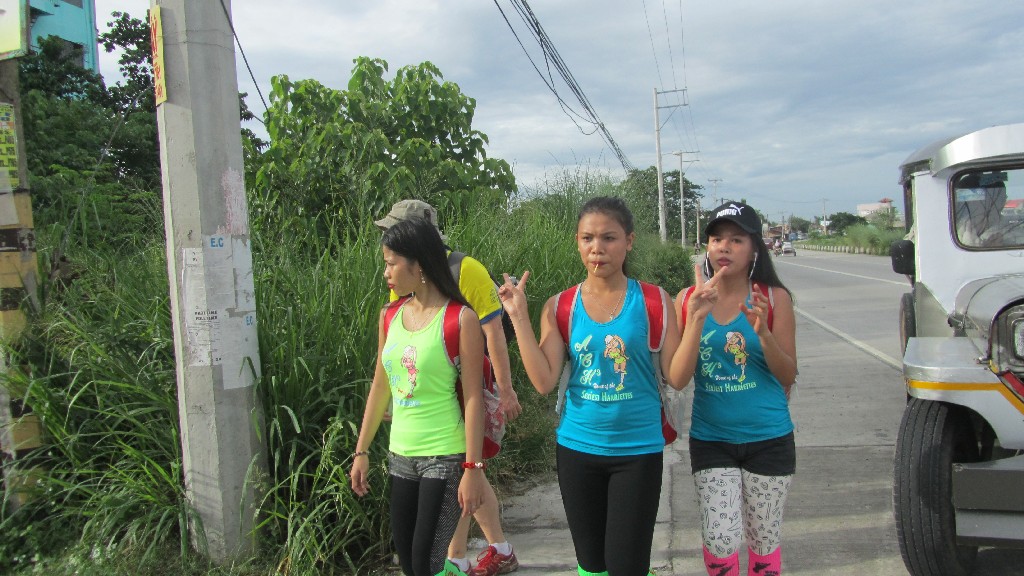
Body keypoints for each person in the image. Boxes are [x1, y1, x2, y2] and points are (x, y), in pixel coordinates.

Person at [498, 196, 682, 576]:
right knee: (592, 565)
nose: (597, 248)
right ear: (578, 243)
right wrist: (518, 317)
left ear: (629, 241)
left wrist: (693, 320)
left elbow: (677, 376)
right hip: (577, 450)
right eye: (588, 238)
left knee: (627, 566)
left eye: (609, 238)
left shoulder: (654, 301)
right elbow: (544, 381)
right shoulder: (560, 306)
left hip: (639, 451)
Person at [375, 199, 522, 576]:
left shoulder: (467, 269)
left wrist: (505, 390)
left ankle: (464, 556)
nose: (389, 239)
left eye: (395, 231)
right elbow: (401, 335)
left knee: (463, 471)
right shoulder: (404, 275)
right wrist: (396, 390)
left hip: (462, 390)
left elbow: (493, 331)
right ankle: (474, 553)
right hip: (427, 394)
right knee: (462, 475)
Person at [349, 218, 487, 576]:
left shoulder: (460, 319)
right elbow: (380, 386)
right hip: (400, 455)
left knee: (425, 562)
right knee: (409, 562)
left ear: (419, 264)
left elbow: (474, 399)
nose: (386, 273)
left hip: (444, 455)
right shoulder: (389, 315)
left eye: (391, 263)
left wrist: (473, 468)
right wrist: (361, 451)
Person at [668, 201, 797, 576]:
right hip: (712, 440)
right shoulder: (687, 299)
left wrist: (764, 334)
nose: (724, 246)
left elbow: (787, 375)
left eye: (737, 239)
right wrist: (696, 318)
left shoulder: (774, 299)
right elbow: (678, 378)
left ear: (755, 248)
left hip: (769, 438)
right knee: (720, 538)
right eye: (717, 239)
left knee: (764, 541)